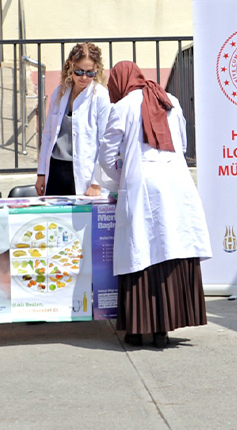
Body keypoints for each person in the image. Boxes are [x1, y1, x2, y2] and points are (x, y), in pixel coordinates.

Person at [98, 61, 211, 348]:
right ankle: (164, 330)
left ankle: (138, 329)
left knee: (141, 251)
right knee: (173, 248)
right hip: (176, 180)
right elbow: (182, 142)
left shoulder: (122, 106)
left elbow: (107, 155)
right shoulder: (169, 99)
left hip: (143, 183)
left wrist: (120, 178)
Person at [35, 42, 112, 197]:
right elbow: (48, 135)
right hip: (56, 170)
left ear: (97, 70)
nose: (84, 77)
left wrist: (97, 182)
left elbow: (106, 143)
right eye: (79, 71)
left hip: (85, 174)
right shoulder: (60, 92)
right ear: (70, 65)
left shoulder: (100, 96)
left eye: (90, 73)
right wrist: (41, 173)